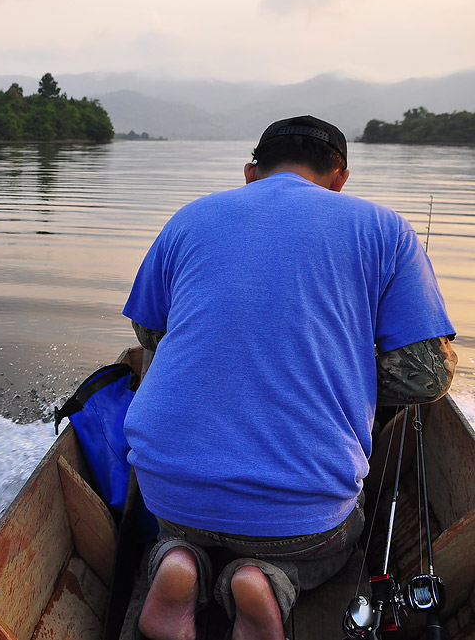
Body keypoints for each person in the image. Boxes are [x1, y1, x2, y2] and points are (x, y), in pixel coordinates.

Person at [121, 115, 457, 640]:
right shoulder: (385, 227)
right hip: (302, 524)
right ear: (340, 177)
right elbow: (427, 377)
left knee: (181, 526)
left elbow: (149, 335)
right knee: (337, 533)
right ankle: (269, 580)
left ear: (251, 172)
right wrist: (344, 369)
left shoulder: (188, 219)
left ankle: (178, 561)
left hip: (169, 495)